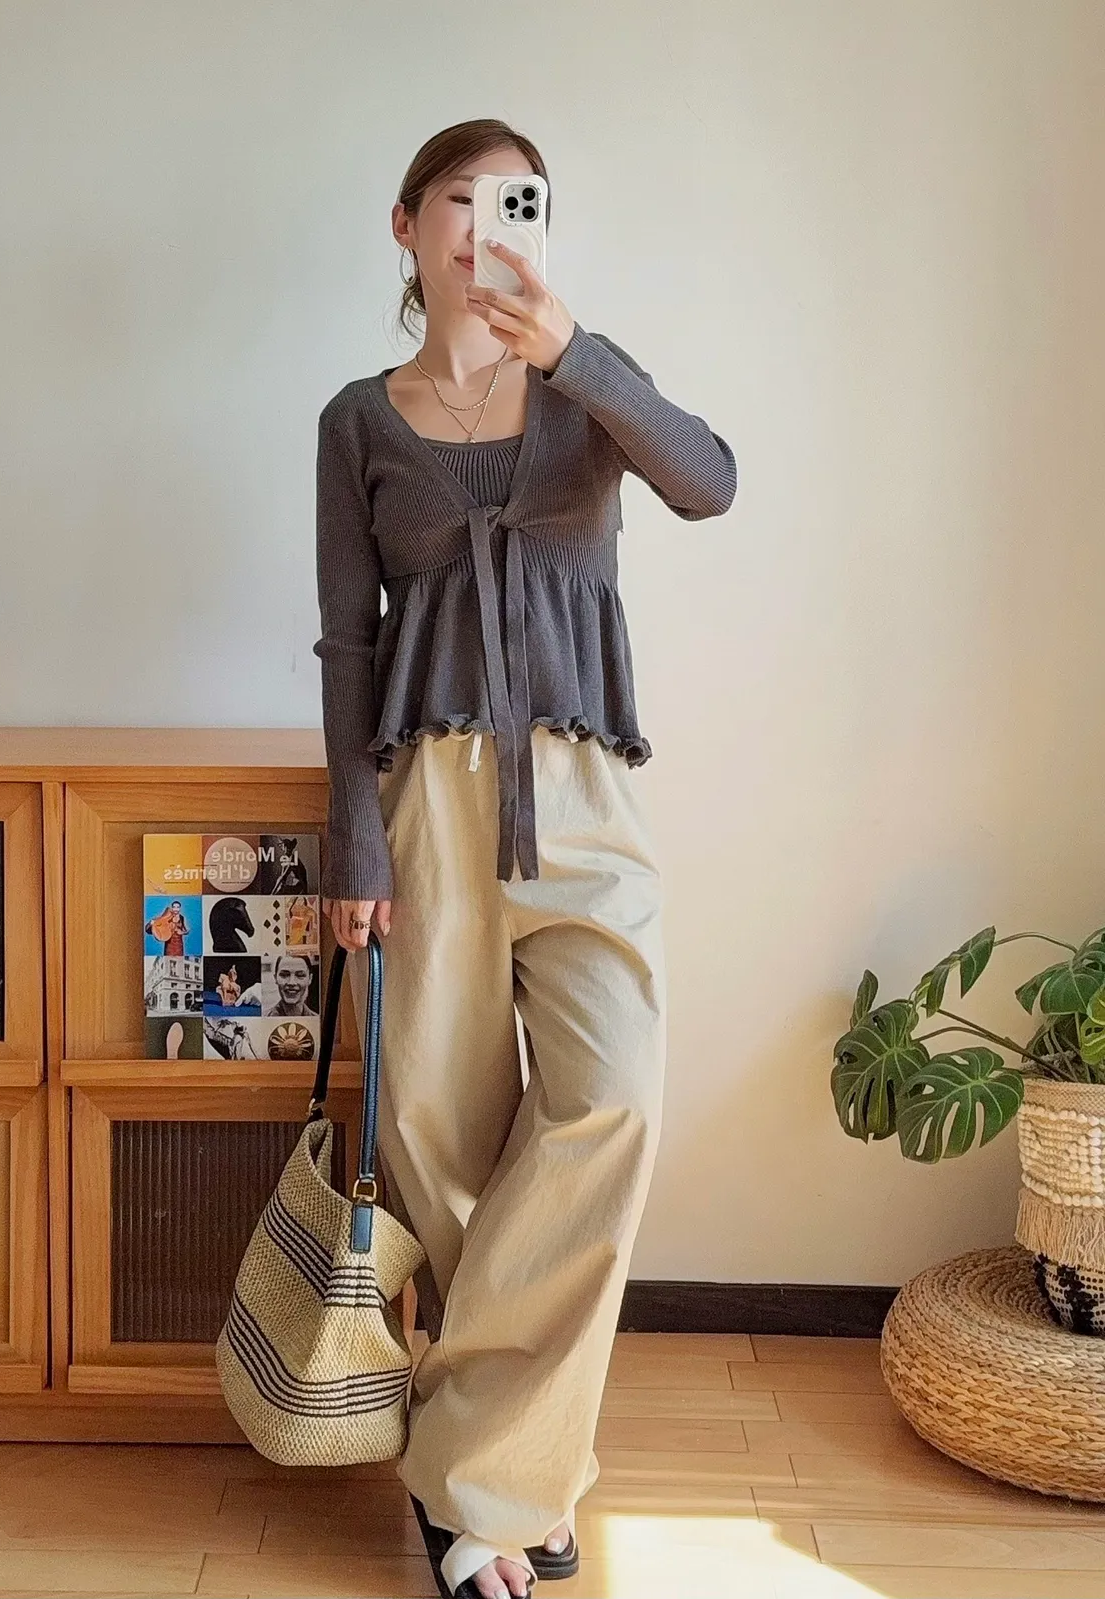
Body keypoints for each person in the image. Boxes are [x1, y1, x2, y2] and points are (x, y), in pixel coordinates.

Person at [313, 118, 736, 1599]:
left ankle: (474, 1470)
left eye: (518, 203)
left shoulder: (580, 394)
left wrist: (577, 353)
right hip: (427, 800)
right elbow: (348, 643)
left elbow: (710, 481)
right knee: (439, 1137)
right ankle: (505, 1482)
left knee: (611, 1102)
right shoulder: (358, 423)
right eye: (461, 200)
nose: (487, 226)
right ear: (406, 225)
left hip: (581, 794)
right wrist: (353, 832)